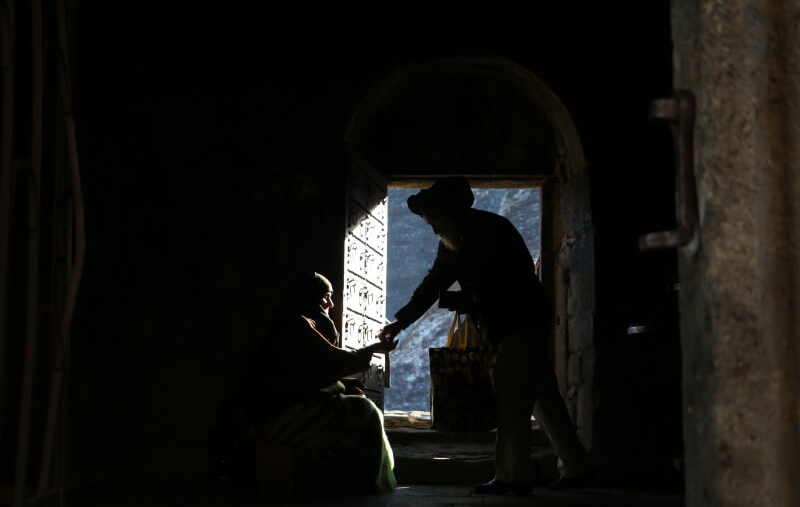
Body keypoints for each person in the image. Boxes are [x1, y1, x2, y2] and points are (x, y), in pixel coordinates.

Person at [380, 177, 593, 495]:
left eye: (435, 222)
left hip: (519, 322)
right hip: (516, 323)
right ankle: (577, 468)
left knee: (510, 398)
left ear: (449, 215)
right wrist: (401, 322)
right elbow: (434, 282)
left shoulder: (490, 232)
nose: (434, 229)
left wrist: (459, 302)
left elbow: (500, 288)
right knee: (543, 397)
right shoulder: (457, 238)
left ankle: (512, 477)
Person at [228, 271, 398, 495]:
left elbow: (315, 371)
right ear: (309, 296)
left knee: (358, 408)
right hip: (271, 416)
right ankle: (358, 484)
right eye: (325, 296)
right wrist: (372, 349)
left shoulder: (296, 321)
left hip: (284, 409)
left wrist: (347, 385)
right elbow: (331, 360)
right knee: (363, 412)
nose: (330, 303)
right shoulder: (294, 324)